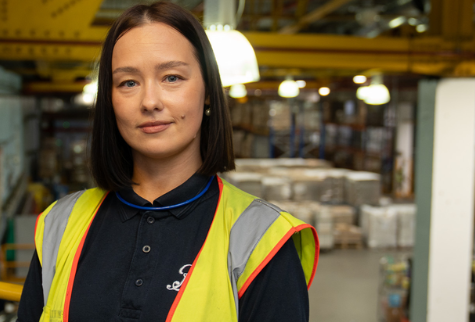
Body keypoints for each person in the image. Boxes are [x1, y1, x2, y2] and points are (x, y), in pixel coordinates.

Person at [17, 2, 318, 321]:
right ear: (110, 100)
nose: (150, 101)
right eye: (128, 83)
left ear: (207, 92)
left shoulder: (261, 239)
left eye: (172, 77)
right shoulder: (59, 224)